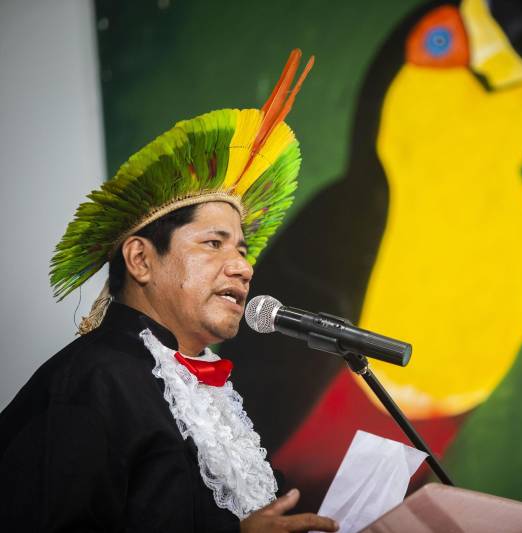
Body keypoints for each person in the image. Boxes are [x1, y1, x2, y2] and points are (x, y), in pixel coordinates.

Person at [0, 49, 337, 533]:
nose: (242, 268)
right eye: (214, 244)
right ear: (140, 259)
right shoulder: (91, 381)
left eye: (242, 251)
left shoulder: (211, 394)